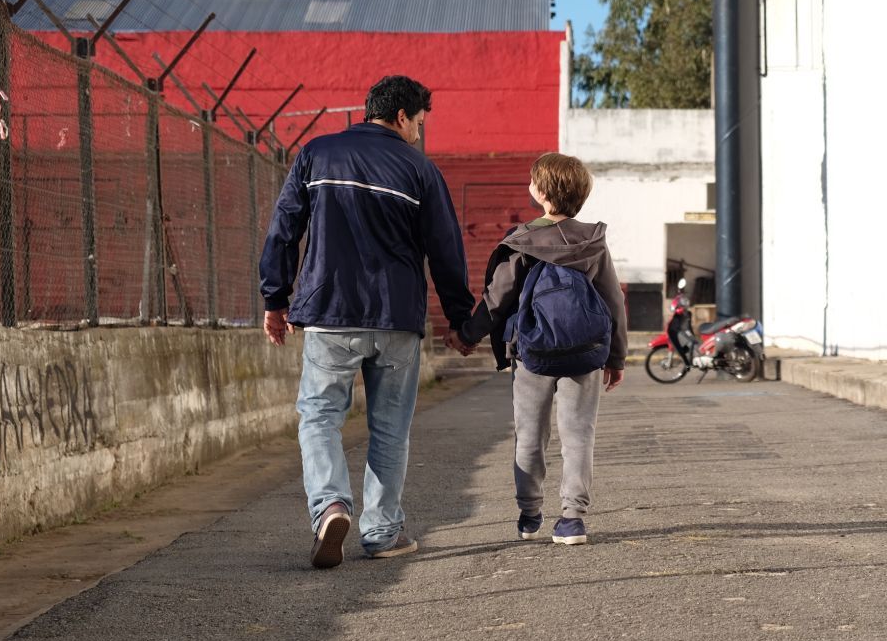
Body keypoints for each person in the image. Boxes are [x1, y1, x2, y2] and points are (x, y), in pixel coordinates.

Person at [260, 75, 474, 569]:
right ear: (401, 117)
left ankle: (331, 506)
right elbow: (446, 253)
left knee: (319, 418)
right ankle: (382, 532)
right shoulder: (421, 170)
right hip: (397, 319)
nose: (419, 133)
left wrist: (275, 299)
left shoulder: (316, 154)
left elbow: (283, 230)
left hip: (330, 313)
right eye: (419, 123)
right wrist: (461, 322)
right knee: (390, 429)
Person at [450, 153, 626, 546]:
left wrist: (466, 335)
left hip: (532, 355)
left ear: (541, 193)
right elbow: (613, 301)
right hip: (586, 352)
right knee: (579, 435)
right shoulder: (593, 241)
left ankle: (530, 513)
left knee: (530, 436)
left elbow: (497, 300)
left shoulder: (523, 241)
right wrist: (616, 358)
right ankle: (572, 520)